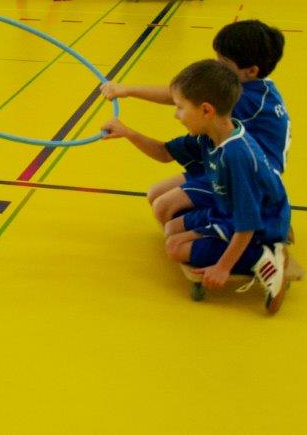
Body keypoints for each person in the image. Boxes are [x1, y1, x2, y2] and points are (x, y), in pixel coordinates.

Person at [102, 59, 292, 314]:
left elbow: (247, 224)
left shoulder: (237, 156)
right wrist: (128, 133)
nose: (176, 114)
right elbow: (164, 153)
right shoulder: (209, 134)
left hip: (259, 225)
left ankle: (263, 257)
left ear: (206, 110)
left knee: (174, 248)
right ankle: (231, 243)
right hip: (227, 212)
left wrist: (223, 267)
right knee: (171, 229)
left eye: (180, 108)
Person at [102, 20, 290, 225]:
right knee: (156, 195)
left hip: (246, 176)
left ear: (251, 71)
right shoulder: (254, 86)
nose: (218, 67)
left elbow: (181, 96)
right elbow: (181, 101)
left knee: (165, 208)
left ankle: (257, 221)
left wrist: (127, 90)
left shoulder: (243, 99)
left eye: (224, 63)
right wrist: (127, 92)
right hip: (226, 162)